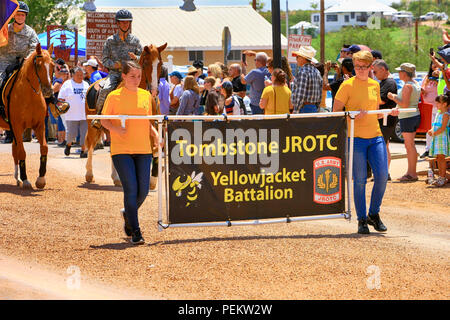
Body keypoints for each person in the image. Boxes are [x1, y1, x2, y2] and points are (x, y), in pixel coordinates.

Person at [334, 50, 398, 234]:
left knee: (382, 175)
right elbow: (336, 111)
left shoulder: (374, 85)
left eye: (364, 67)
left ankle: (374, 214)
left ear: (371, 67)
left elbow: (375, 112)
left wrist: (389, 112)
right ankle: (361, 219)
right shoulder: (347, 85)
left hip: (375, 135)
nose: (360, 70)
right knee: (360, 180)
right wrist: (352, 115)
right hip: (355, 138)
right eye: (357, 67)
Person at [101, 61, 160, 245]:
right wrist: (116, 131)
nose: (136, 80)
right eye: (133, 76)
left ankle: (128, 213)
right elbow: (104, 120)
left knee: (143, 191)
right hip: (122, 150)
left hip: (144, 149)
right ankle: (136, 231)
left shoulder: (145, 96)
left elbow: (147, 121)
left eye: (139, 76)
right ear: (124, 76)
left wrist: (156, 135)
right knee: (131, 188)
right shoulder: (113, 96)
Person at [93, 9, 142, 127]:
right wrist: (115, 65)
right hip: (115, 74)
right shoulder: (110, 41)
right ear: (118, 23)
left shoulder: (135, 41)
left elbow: (142, 58)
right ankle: (99, 117)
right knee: (105, 90)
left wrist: (136, 57)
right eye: (123, 22)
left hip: (132, 74)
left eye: (128, 22)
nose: (125, 24)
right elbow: (104, 59)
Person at [0, 2, 38, 143]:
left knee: (40, 81)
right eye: (18, 14)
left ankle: (52, 103)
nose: (20, 16)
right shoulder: (4, 28)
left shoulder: (30, 32)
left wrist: (28, 58)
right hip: (4, 63)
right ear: (13, 15)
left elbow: (34, 47)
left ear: (25, 16)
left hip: (22, 63)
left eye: (22, 14)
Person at [387, 63, 421, 182]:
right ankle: (411, 172)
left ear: (405, 73)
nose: (399, 73)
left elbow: (404, 103)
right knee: (410, 145)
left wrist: (393, 97)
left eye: (400, 71)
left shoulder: (407, 86)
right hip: (412, 116)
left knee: (409, 145)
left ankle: (411, 173)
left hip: (408, 117)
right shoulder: (415, 84)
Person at [372, 59, 398, 180]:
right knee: (384, 145)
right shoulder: (384, 82)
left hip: (386, 119)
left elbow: (382, 100)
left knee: (382, 145)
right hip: (383, 119)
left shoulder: (389, 83)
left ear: (383, 70)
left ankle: (384, 173)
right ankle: (383, 172)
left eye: (375, 71)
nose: (374, 74)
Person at [58, 67, 90, 158]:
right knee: (71, 134)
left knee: (84, 134)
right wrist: (62, 106)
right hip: (71, 114)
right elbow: (60, 98)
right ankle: (68, 145)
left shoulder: (86, 84)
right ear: (73, 75)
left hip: (84, 114)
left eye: (82, 75)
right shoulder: (67, 84)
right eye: (78, 75)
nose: (80, 76)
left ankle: (84, 150)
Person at [427, 92, 450, 187]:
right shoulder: (438, 114)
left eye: (438, 103)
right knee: (438, 158)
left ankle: (442, 177)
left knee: (442, 158)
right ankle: (441, 177)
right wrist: (431, 130)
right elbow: (435, 126)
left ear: (444, 104)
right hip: (436, 138)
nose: (436, 104)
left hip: (442, 139)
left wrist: (434, 133)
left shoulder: (446, 115)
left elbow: (443, 128)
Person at [291, 46, 322, 113]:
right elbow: (320, 94)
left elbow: (300, 95)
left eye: (297, 56)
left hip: (303, 108)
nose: (296, 59)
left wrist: (296, 111)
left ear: (303, 58)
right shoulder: (317, 71)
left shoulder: (303, 72)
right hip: (313, 107)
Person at [420, 60, 441, 158]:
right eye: (433, 64)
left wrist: (440, 74)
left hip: (439, 107)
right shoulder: (427, 77)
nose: (434, 66)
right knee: (429, 129)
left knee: (437, 128)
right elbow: (422, 87)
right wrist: (423, 91)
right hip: (428, 107)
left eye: (437, 64)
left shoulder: (443, 76)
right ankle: (428, 149)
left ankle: (437, 150)